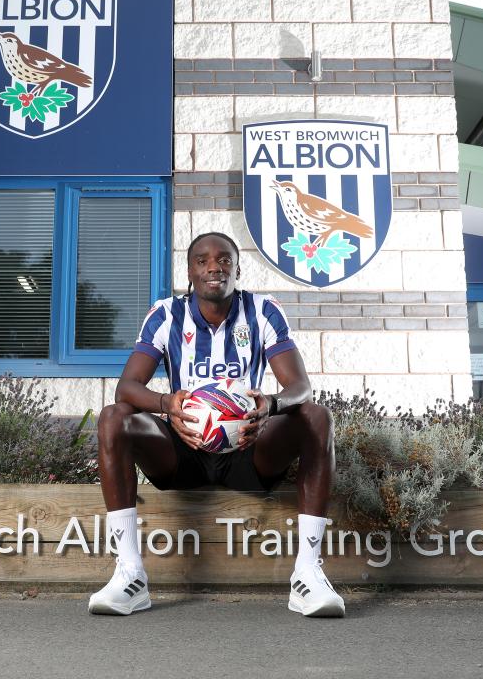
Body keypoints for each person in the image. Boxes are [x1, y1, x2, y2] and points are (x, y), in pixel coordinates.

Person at [88, 232, 343, 617]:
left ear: (237, 269)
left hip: (247, 449)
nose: (214, 267)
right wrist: (166, 405)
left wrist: (269, 405)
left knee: (316, 416)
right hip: (182, 450)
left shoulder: (262, 311)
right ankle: (129, 575)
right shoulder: (166, 314)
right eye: (203, 261)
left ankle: (307, 574)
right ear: (189, 271)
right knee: (113, 418)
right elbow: (127, 387)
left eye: (224, 260)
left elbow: (301, 388)